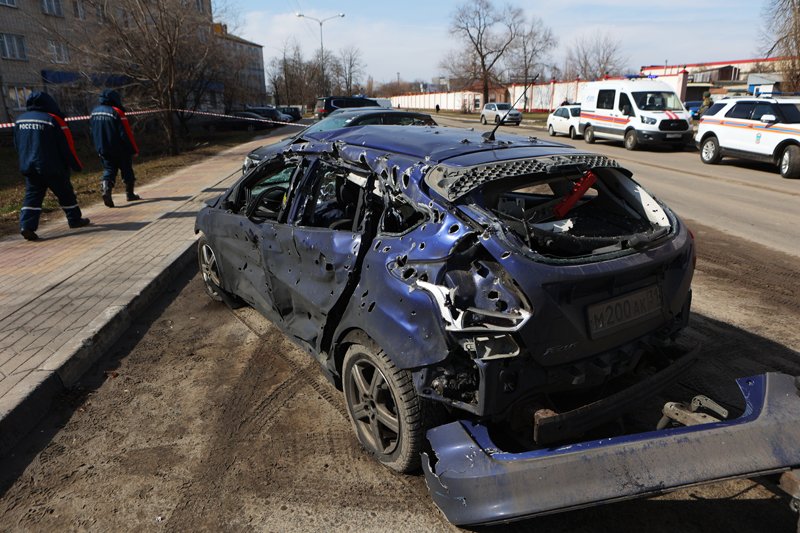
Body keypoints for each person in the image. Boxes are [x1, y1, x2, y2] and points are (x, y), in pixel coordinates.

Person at [13, 92, 89, 241]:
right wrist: (76, 165)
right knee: (65, 193)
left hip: (29, 166)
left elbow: (17, 144)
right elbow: (67, 146)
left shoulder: (19, 120)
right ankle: (74, 220)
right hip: (53, 167)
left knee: (32, 196)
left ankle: (26, 226)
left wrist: (25, 159)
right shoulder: (54, 120)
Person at [90, 89, 141, 207]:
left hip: (103, 148)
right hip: (120, 149)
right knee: (127, 170)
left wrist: (98, 147)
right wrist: (133, 149)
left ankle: (106, 189)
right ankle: (130, 194)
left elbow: (92, 132)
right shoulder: (116, 112)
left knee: (109, 170)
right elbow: (125, 134)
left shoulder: (94, 112)